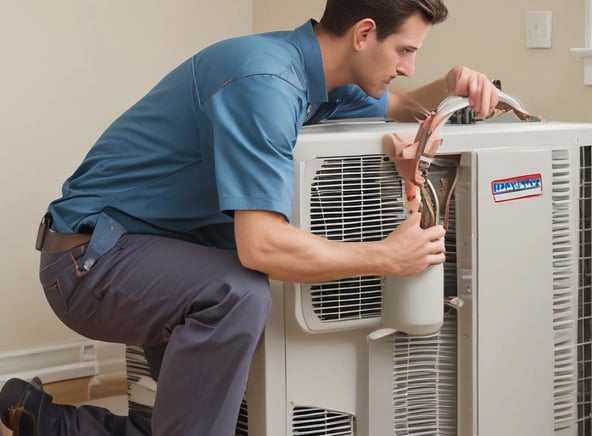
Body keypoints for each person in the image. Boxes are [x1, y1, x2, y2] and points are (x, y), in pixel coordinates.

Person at [0, 0, 500, 434]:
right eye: (406, 51)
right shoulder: (265, 82)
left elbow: (408, 104)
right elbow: (260, 246)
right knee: (239, 292)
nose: (410, 67)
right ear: (364, 34)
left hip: (152, 249)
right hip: (91, 261)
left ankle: (48, 421)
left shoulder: (318, 75)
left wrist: (452, 85)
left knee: (187, 421)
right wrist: (387, 257)